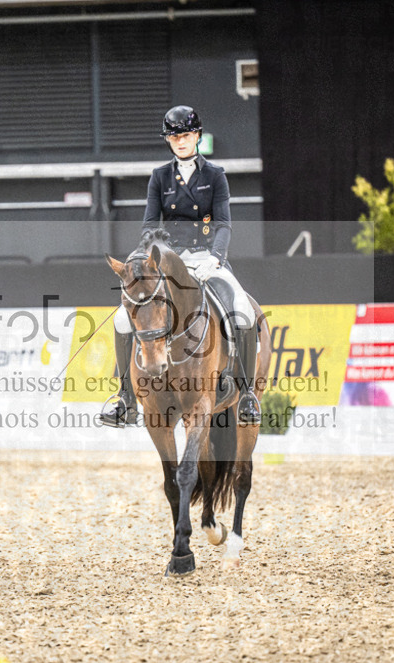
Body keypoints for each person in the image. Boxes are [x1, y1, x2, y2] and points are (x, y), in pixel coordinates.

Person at [101, 105, 261, 428]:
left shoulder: (215, 176)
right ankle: (125, 399)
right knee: (121, 318)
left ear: (197, 136)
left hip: (206, 260)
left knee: (242, 308)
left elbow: (224, 225)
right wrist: (149, 254)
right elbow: (149, 226)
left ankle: (246, 395)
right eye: (174, 137)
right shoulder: (159, 177)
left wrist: (216, 258)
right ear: (169, 142)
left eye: (186, 135)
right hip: (170, 262)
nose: (181, 142)